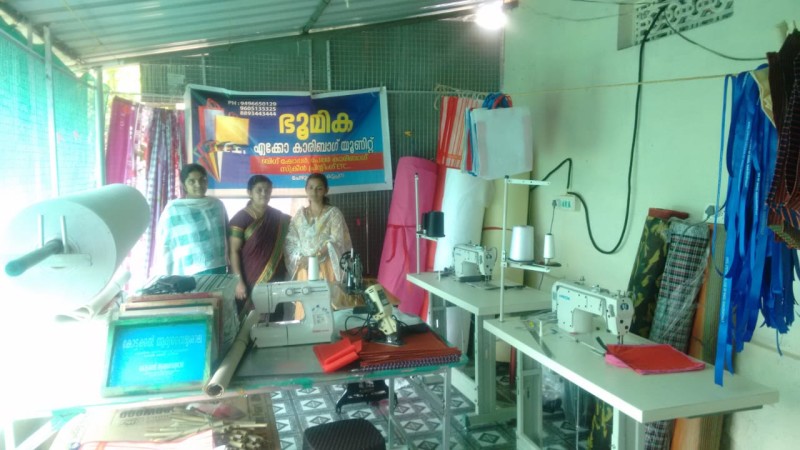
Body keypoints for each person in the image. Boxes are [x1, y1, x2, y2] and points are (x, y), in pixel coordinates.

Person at [154, 163, 228, 276]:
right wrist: (166, 274)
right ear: (184, 185)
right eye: (192, 181)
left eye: (202, 180)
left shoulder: (217, 205)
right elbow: (165, 243)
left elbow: (226, 234)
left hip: (219, 266)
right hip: (190, 270)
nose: (198, 184)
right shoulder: (174, 209)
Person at [229, 175, 291, 303]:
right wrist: (238, 281)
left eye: (267, 190)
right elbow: (233, 251)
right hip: (249, 278)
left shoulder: (279, 217)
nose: (264, 193)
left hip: (276, 278)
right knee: (251, 314)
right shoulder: (240, 219)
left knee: (276, 313)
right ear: (249, 192)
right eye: (259, 190)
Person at [285, 173, 353, 284]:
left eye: (319, 188)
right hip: (304, 267)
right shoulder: (300, 215)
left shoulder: (333, 214)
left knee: (327, 294)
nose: (314, 192)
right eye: (311, 188)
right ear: (306, 189)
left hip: (326, 266)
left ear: (326, 190)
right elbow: (290, 241)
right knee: (305, 295)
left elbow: (336, 241)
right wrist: (301, 258)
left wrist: (314, 258)